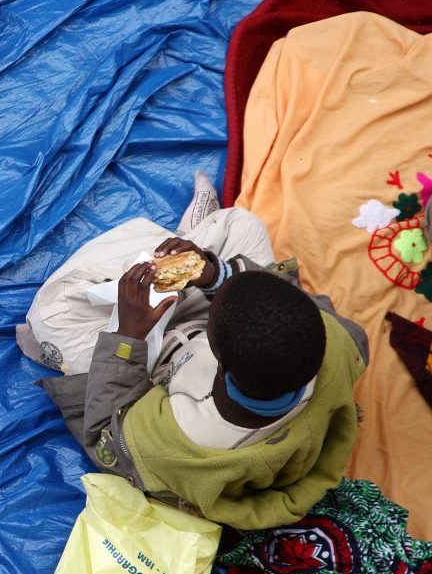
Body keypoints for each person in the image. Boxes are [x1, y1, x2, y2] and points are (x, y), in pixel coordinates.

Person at [20, 206, 369, 530]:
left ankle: (67, 343)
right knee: (241, 223)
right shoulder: (338, 341)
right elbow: (293, 297)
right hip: (224, 331)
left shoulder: (181, 442)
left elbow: (104, 434)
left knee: (50, 315)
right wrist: (215, 275)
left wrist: (127, 336)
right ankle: (190, 251)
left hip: (155, 364)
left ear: (218, 359)